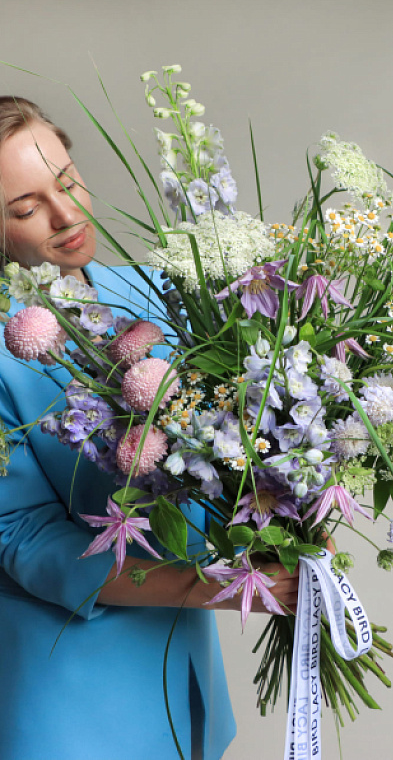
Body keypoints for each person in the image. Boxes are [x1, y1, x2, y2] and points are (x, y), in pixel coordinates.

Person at [0, 97, 298, 760]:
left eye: (68, 180)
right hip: (68, 696)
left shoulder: (155, 290)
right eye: (25, 208)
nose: (67, 215)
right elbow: (20, 538)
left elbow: (240, 437)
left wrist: (294, 503)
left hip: (179, 678)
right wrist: (224, 589)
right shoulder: (2, 354)